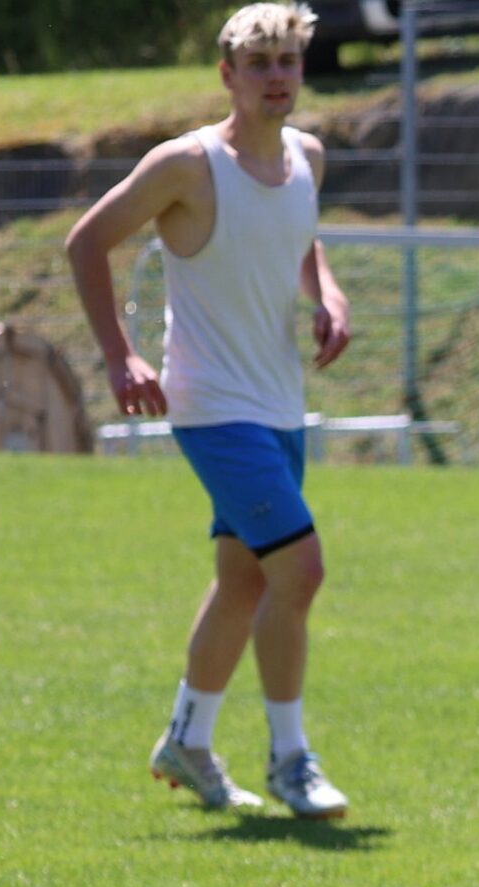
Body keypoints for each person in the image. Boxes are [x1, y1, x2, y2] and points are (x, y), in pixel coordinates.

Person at [66, 2, 353, 819]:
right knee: (300, 570)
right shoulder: (187, 165)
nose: (276, 77)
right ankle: (291, 760)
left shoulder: (307, 157)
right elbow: (87, 242)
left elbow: (300, 240)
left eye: (287, 61)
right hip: (210, 405)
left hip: (279, 401)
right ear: (227, 75)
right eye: (258, 64)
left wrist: (327, 295)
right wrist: (120, 355)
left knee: (244, 579)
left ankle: (187, 741)